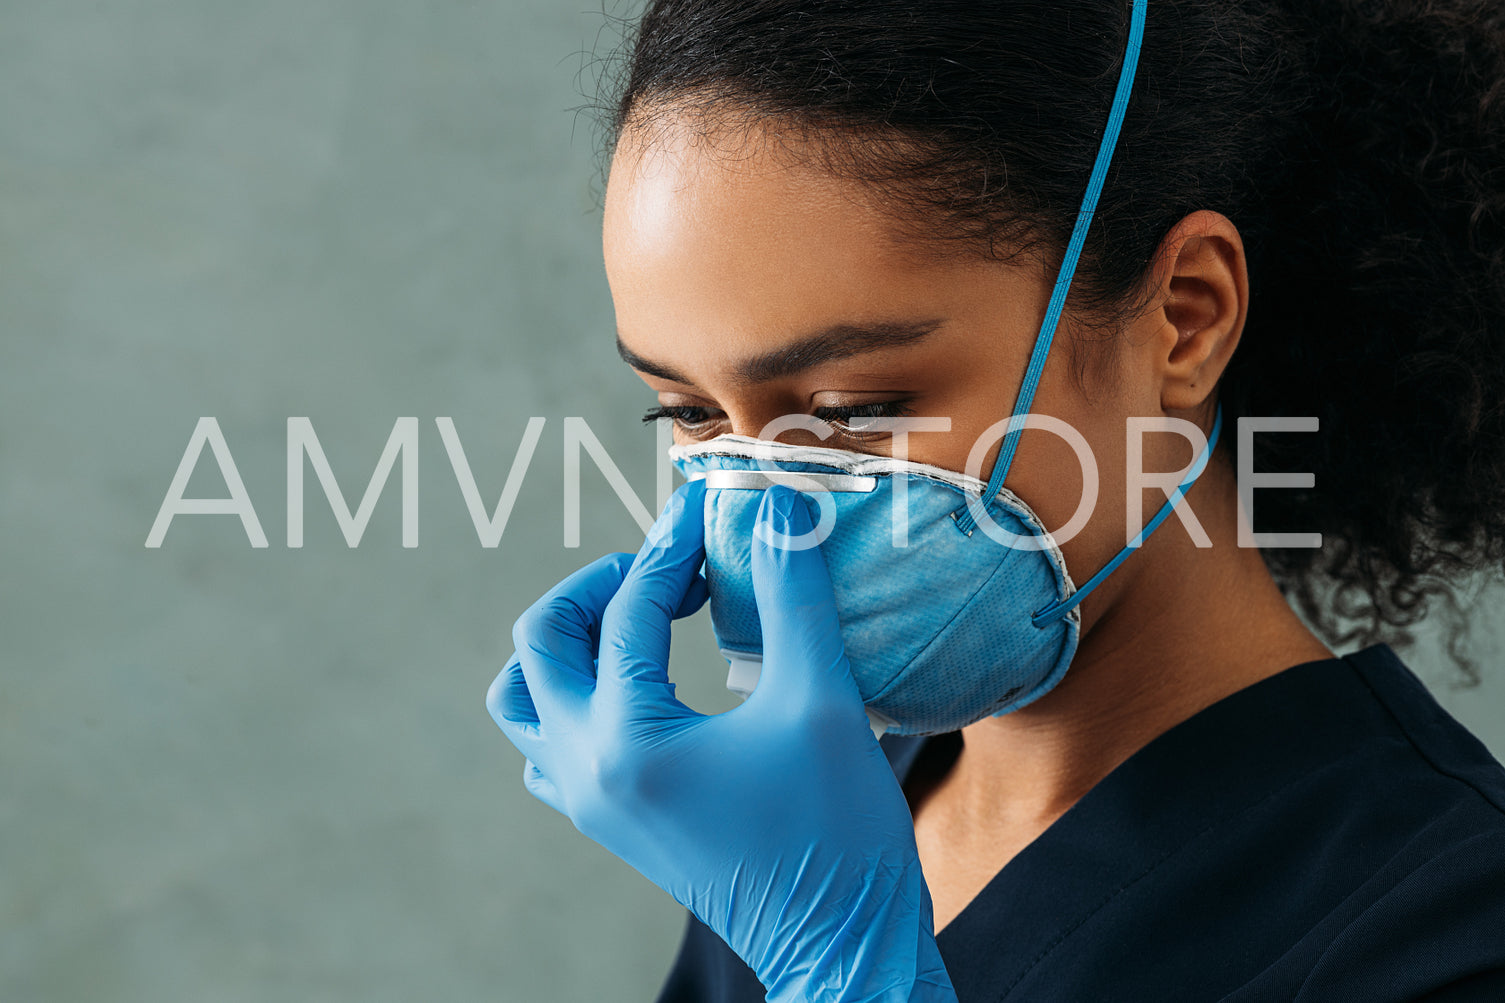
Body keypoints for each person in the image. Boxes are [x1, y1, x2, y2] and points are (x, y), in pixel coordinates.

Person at [486, 0, 1505, 999]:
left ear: (1185, 318)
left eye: (854, 406)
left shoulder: (1446, 925)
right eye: (690, 415)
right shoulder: (808, 828)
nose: (760, 507)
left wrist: (850, 973)